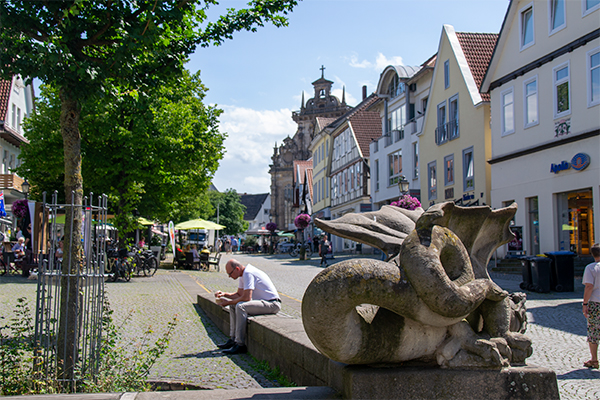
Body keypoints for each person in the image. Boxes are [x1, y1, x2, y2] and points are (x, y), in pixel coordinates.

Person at [215, 259, 281, 354]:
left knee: (240, 307)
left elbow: (246, 298)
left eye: (230, 273)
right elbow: (239, 294)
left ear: (237, 269)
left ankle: (240, 344)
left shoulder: (248, 273)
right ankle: (233, 339)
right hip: (265, 302)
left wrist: (228, 303)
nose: (229, 276)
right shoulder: (243, 274)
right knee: (234, 306)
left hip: (272, 304)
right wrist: (224, 294)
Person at [583, 243, 600, 369]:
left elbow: (589, 286)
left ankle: (594, 360)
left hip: (595, 303)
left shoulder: (591, 268)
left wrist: (585, 304)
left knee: (593, 330)